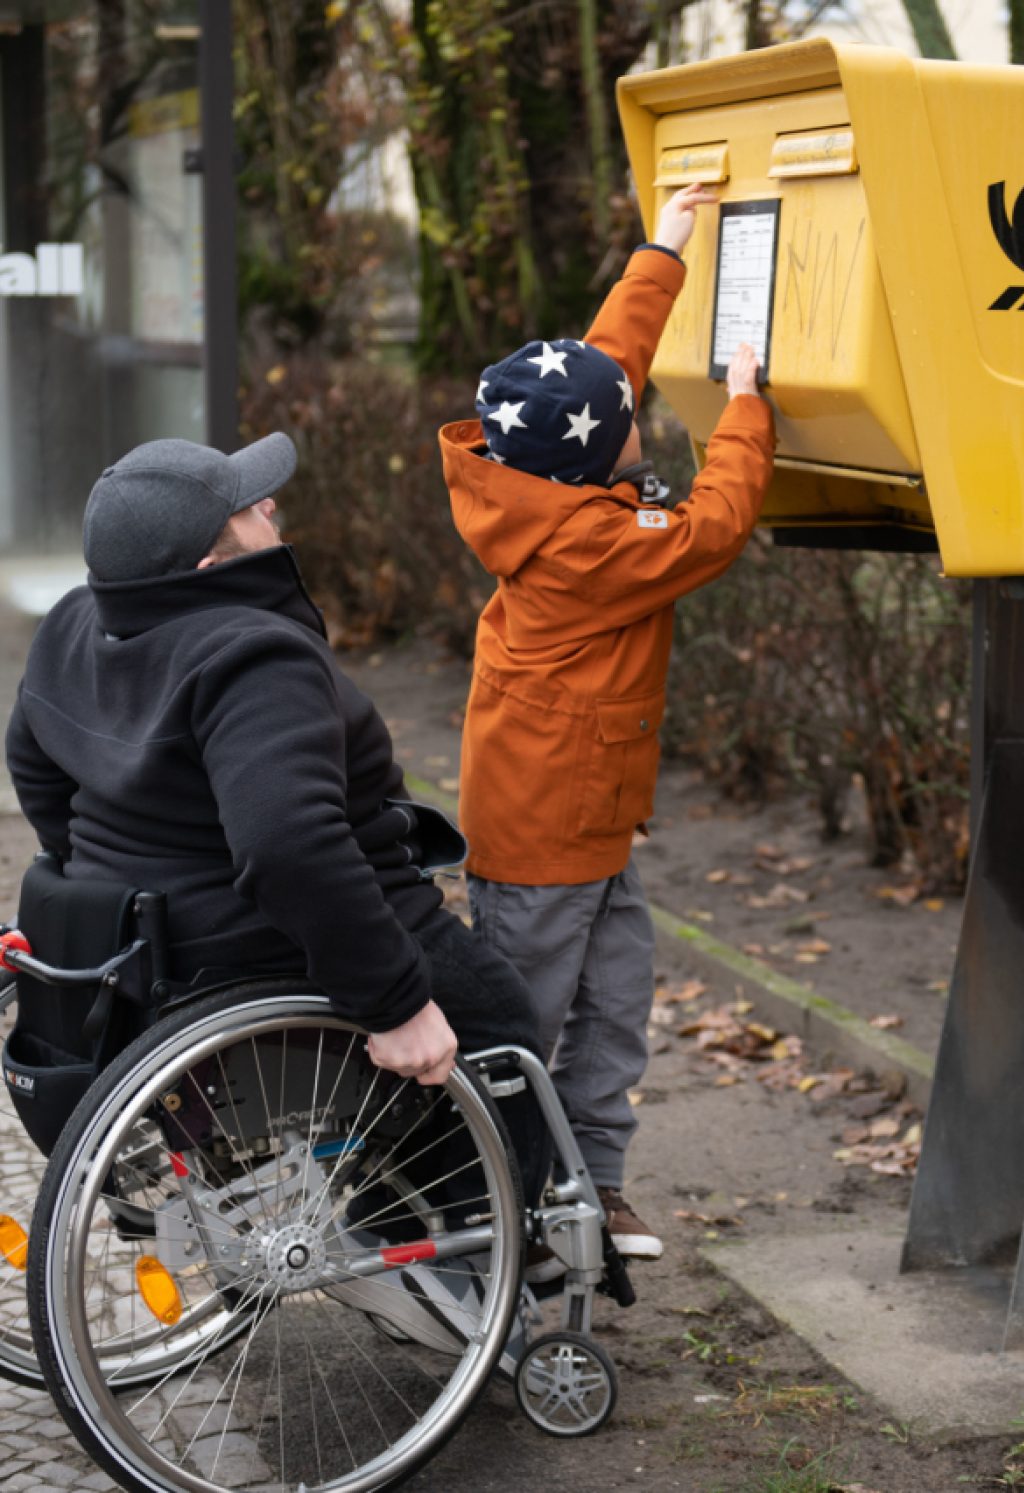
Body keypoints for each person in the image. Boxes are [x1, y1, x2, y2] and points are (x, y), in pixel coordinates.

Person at [3, 435, 549, 1215]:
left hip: (133, 935)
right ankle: (449, 1245)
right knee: (495, 1013)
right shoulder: (253, 656)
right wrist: (396, 1003)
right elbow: (289, 847)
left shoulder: (74, 623)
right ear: (209, 569)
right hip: (256, 937)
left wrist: (96, 860)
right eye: (246, 508)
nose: (269, 505)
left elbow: (33, 758)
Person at [440, 183, 775, 1272]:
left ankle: (592, 1183)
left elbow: (601, 363)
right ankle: (487, 1206)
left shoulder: (544, 471)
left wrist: (661, 247)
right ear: (590, 456)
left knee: (615, 1006)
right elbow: (714, 528)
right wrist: (744, 405)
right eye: (626, 415)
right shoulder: (592, 548)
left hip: (593, 816)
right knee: (523, 1029)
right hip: (543, 834)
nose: (636, 407)